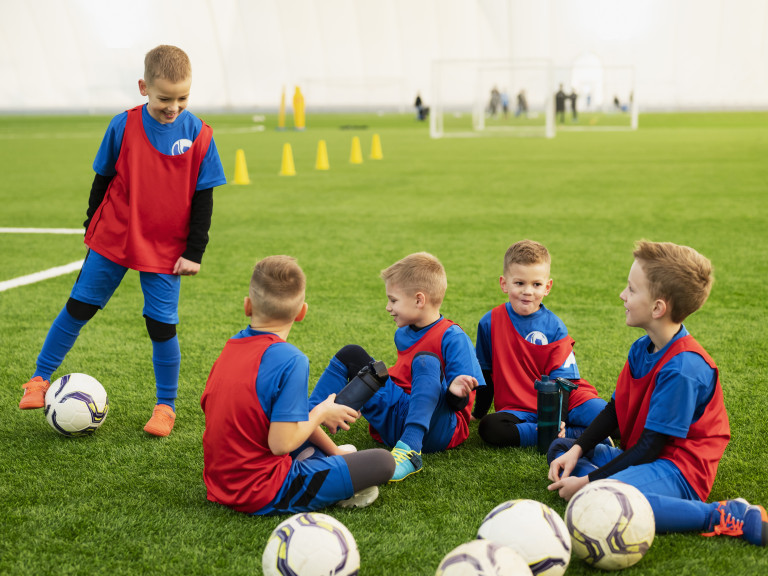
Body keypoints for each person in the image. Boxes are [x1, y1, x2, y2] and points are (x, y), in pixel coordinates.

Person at [18, 45, 227, 437]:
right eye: (165, 98)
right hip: (114, 236)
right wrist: (91, 227)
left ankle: (165, 407)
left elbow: (204, 197)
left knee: (161, 327)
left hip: (166, 248)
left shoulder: (200, 134)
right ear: (143, 87)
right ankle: (39, 379)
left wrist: (194, 251)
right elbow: (102, 178)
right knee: (79, 307)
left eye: (183, 98)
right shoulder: (122, 125)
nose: (174, 107)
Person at [547, 241, 767, 546]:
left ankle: (722, 513)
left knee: (602, 498)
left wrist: (586, 481)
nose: (622, 295)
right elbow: (615, 409)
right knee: (560, 449)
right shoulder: (642, 347)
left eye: (631, 289)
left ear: (657, 308)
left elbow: (651, 448)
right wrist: (577, 450)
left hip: (679, 469)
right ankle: (608, 478)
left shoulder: (683, 368)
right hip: (642, 455)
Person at [201, 256, 395, 515]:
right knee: (383, 462)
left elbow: (284, 417)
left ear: (247, 306)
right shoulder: (291, 360)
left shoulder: (230, 348)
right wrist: (322, 413)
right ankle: (331, 485)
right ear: (302, 312)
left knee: (319, 444)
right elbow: (280, 445)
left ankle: (324, 460)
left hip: (219, 482)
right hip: (261, 491)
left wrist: (335, 451)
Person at [309, 252, 484, 482]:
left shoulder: (453, 337)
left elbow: (457, 405)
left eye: (393, 300)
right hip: (399, 415)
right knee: (352, 354)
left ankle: (410, 451)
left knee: (426, 360)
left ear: (419, 300)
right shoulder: (403, 333)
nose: (388, 307)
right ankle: (303, 426)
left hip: (438, 426)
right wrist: (366, 389)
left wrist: (455, 393)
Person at [472, 240, 607, 448]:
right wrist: (478, 414)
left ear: (547, 287)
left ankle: (562, 430)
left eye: (536, 284)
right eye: (519, 283)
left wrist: (557, 420)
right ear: (504, 283)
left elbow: (564, 382)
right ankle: (578, 433)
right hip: (518, 407)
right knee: (491, 428)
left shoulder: (555, 326)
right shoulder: (489, 322)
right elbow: (485, 372)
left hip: (566, 401)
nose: (528, 291)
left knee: (613, 419)